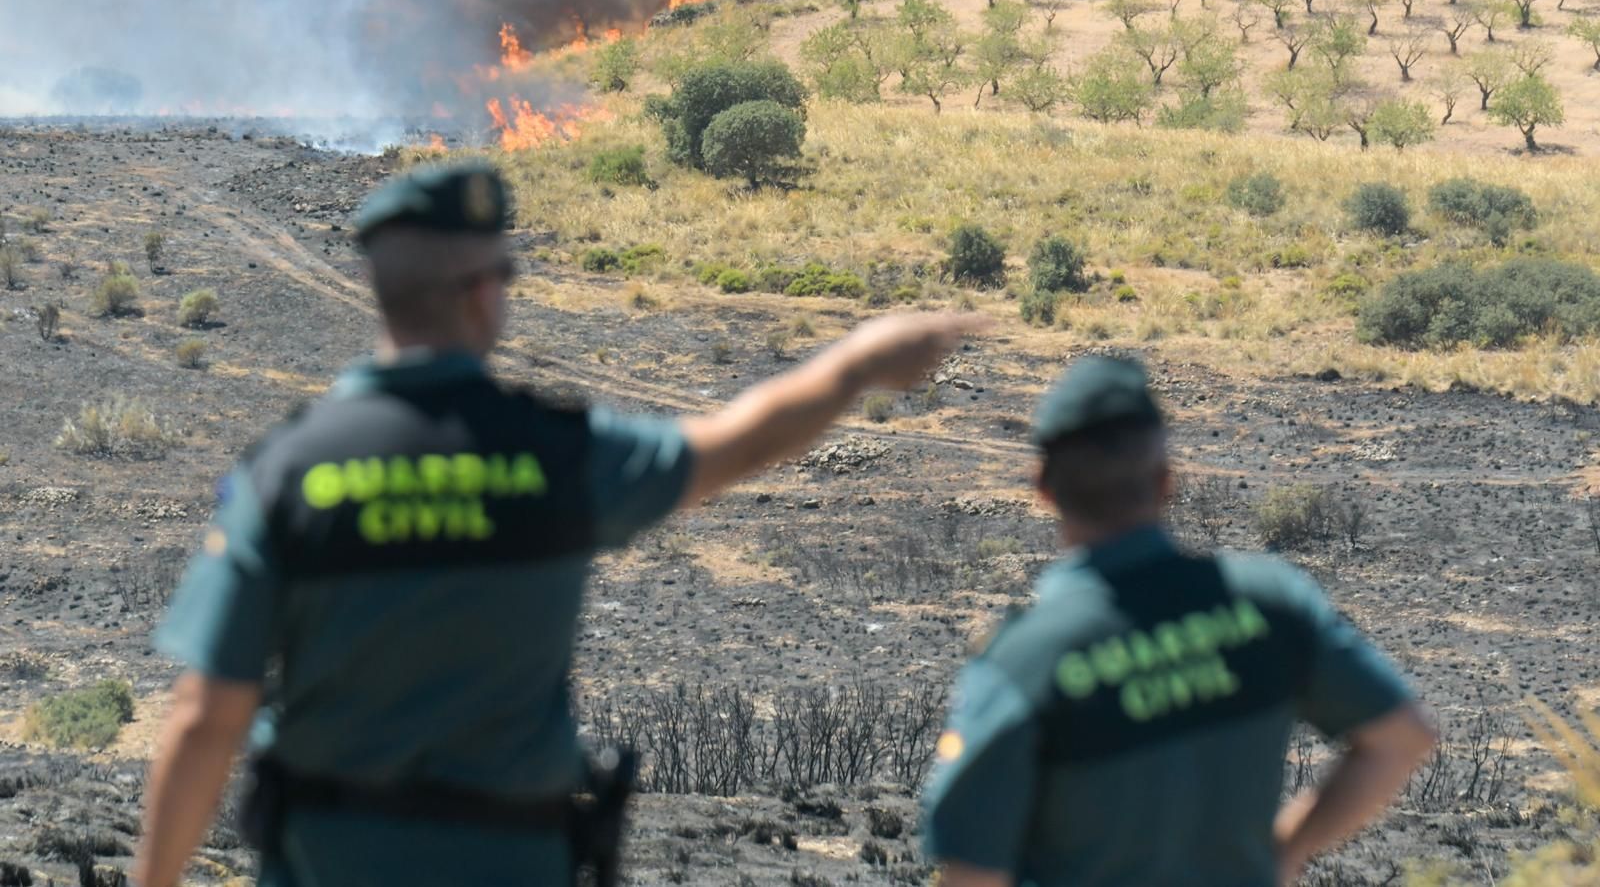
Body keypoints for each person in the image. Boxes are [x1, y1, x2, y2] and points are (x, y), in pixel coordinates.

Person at [133, 158, 978, 887]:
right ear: (479, 295)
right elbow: (737, 444)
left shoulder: (287, 475)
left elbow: (208, 717)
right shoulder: (557, 457)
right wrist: (859, 361)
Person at [921, 356, 1436, 887]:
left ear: (1042, 488)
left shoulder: (1023, 660)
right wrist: (1286, 851)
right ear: (1166, 482)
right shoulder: (1271, 602)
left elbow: (973, 874)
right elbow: (1402, 738)